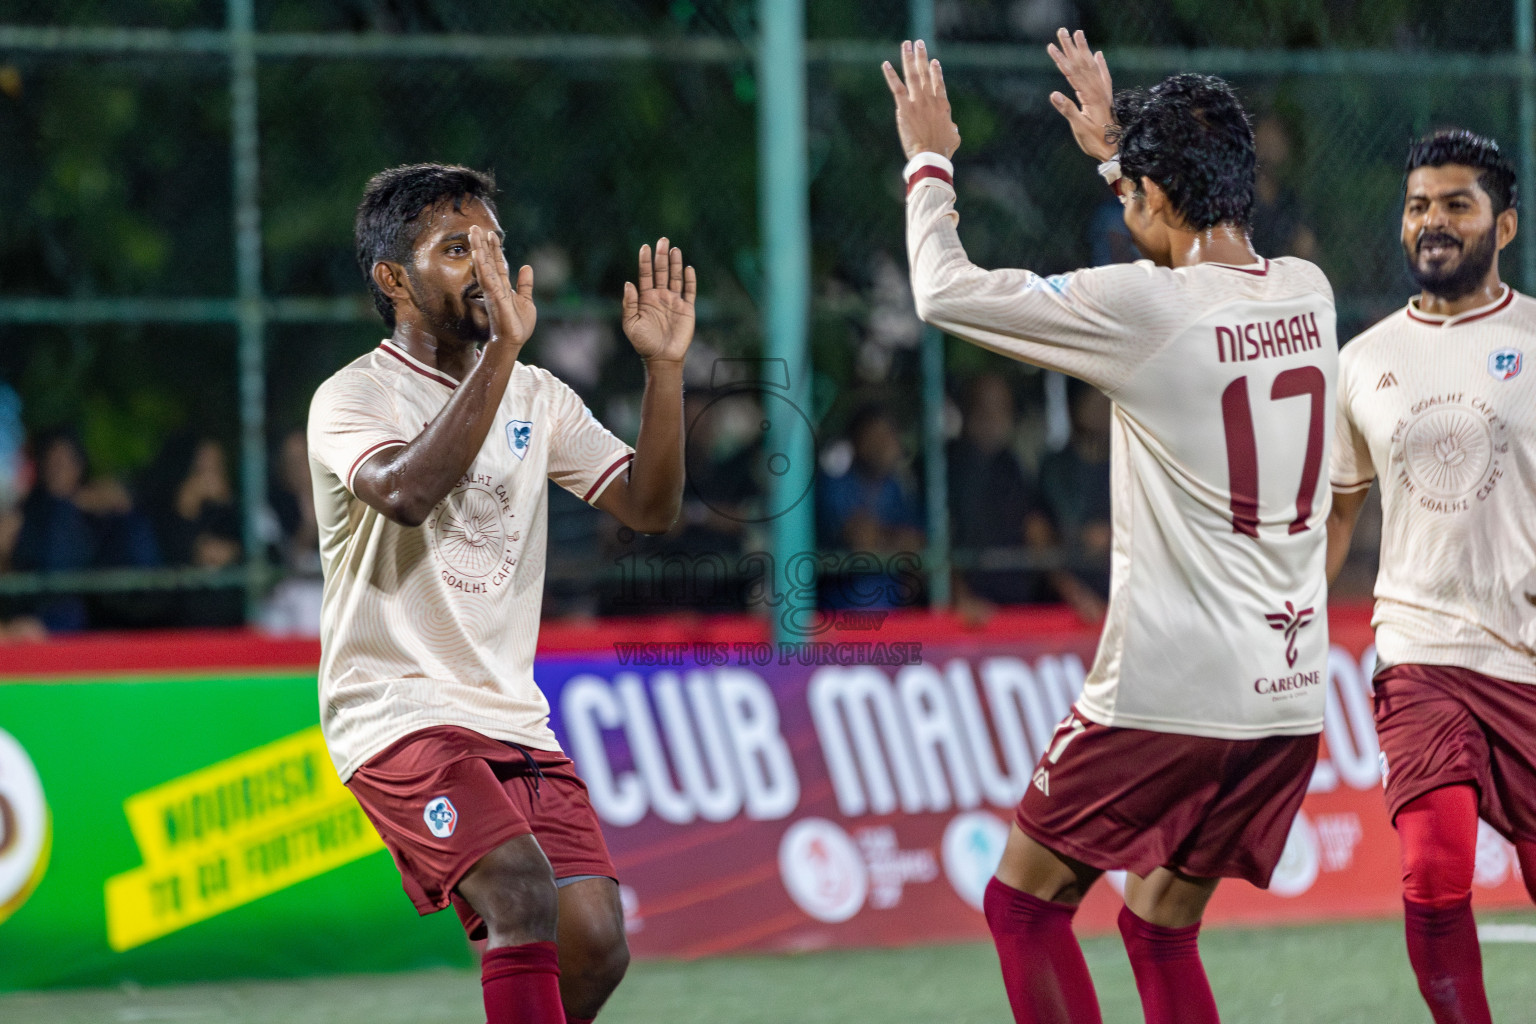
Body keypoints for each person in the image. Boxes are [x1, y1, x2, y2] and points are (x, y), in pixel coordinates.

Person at [885, 29, 1338, 1024]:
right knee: (1157, 925)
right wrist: (1120, 156)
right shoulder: (1310, 294)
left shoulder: (1146, 307)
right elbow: (1184, 242)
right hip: (1290, 699)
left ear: (1158, 196)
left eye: (1135, 187)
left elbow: (944, 290)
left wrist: (929, 160)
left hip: (1168, 692)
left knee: (1022, 905)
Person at [307, 163, 694, 1024]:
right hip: (395, 710)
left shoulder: (537, 396)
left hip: (510, 715)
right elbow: (407, 492)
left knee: (595, 940)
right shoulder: (352, 396)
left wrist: (664, 372)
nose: (488, 267)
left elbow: (651, 506)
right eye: (458, 250)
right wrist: (507, 351)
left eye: (494, 246)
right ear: (394, 279)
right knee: (521, 893)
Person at [1326, 129, 1536, 1024]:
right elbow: (1339, 513)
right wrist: (1288, 628)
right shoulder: (1363, 359)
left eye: (1456, 204)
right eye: (1418, 206)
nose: (1433, 222)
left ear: (1506, 225)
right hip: (1418, 649)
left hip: (1526, 655)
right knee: (1435, 867)